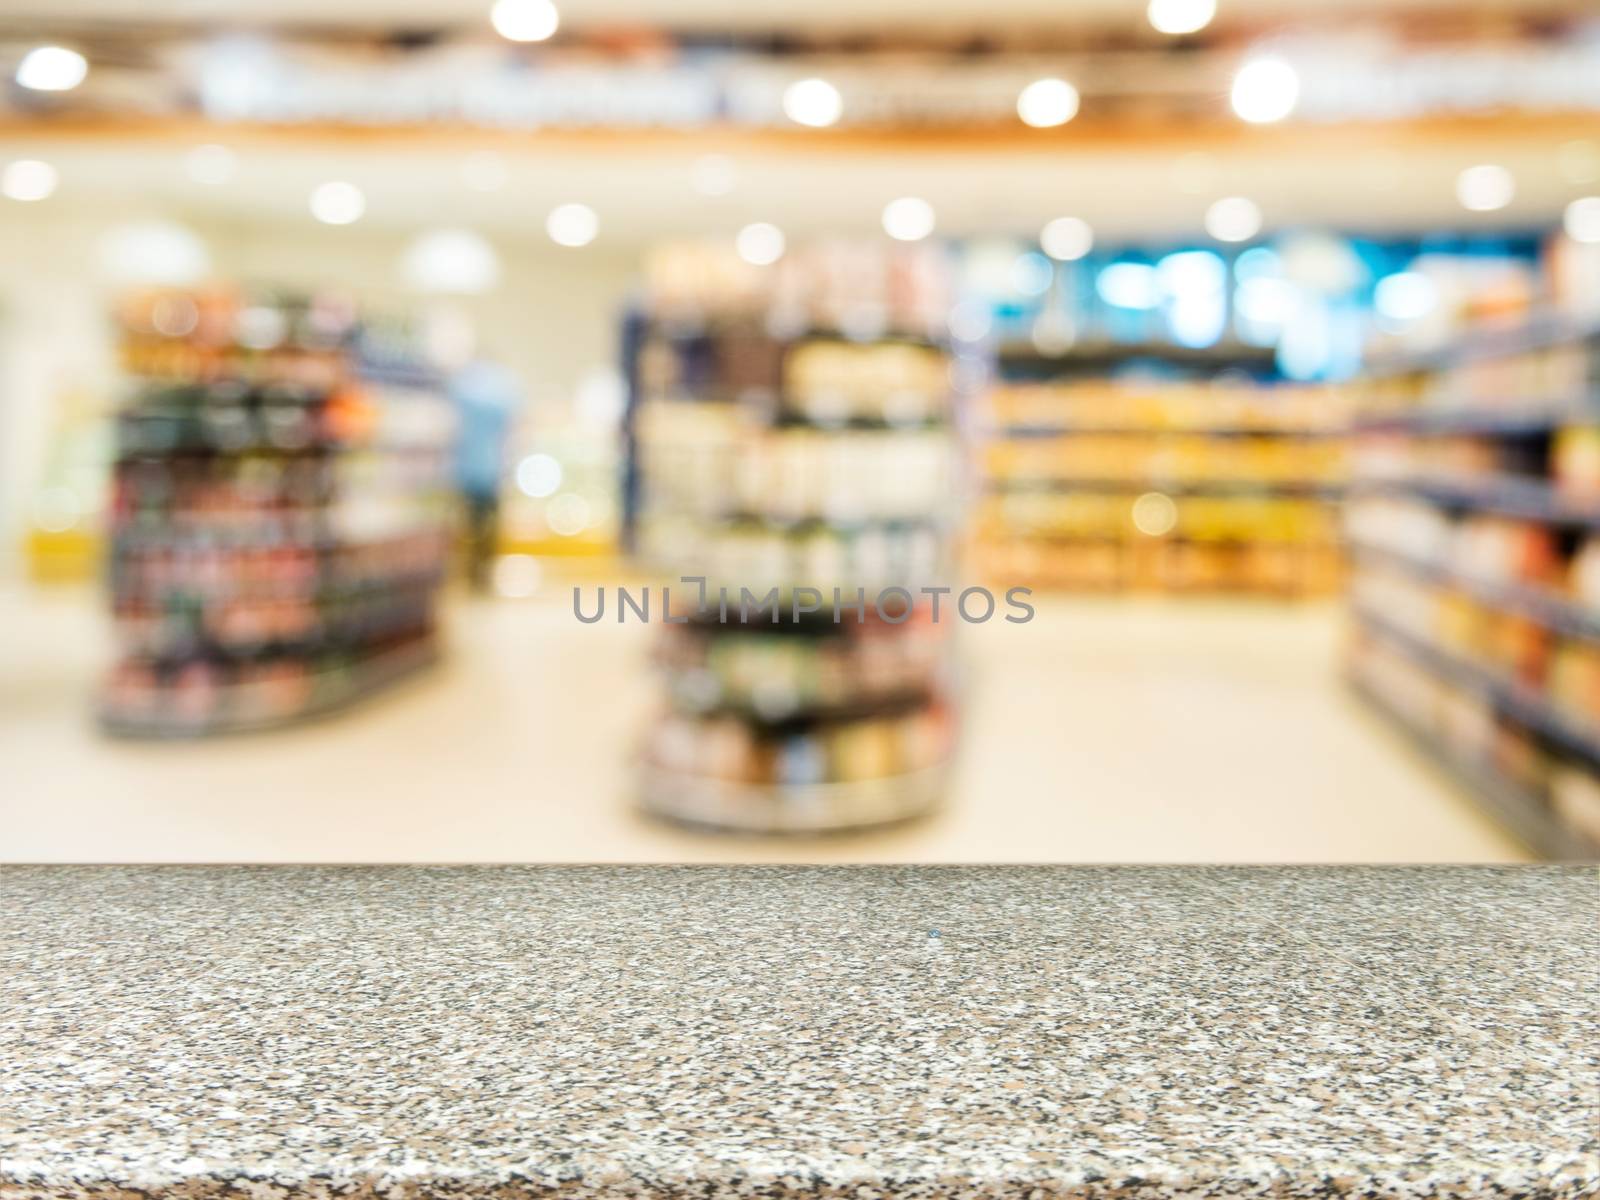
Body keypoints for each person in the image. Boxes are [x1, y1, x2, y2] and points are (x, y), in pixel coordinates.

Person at [448, 357, 521, 592]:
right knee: (487, 528)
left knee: (468, 526)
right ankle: (482, 575)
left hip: (465, 471)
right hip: (490, 471)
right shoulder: (502, 393)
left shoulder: (462, 389)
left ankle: (470, 574)